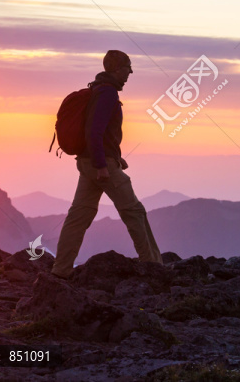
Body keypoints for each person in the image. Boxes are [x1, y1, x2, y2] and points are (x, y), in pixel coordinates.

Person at [51, 50, 163, 279]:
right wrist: (103, 164)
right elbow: (94, 131)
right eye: (127, 67)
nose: (130, 72)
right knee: (134, 212)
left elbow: (100, 133)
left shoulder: (97, 89)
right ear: (115, 68)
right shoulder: (107, 94)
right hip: (99, 165)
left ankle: (60, 271)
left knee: (78, 217)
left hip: (88, 162)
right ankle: (153, 267)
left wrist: (115, 156)